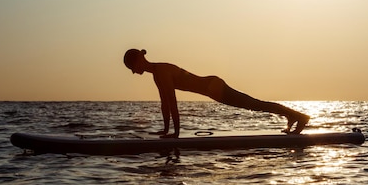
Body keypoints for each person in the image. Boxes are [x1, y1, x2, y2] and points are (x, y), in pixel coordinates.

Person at [123, 48, 310, 138]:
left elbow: (173, 103)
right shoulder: (156, 73)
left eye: (132, 66)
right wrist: (166, 130)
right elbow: (165, 104)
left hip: (214, 87)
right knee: (254, 104)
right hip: (212, 86)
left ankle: (299, 116)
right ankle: (291, 116)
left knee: (254, 104)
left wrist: (176, 133)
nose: (134, 71)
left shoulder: (161, 72)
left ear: (140, 59)